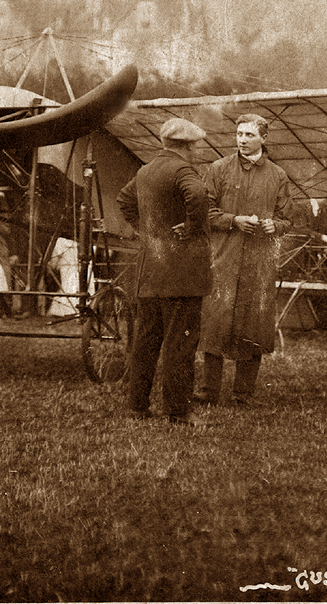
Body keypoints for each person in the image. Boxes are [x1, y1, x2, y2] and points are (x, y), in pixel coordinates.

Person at [118, 118, 213, 425]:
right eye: (195, 145)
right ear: (186, 146)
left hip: (150, 272)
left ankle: (137, 406)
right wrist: (193, 226)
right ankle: (177, 412)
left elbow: (124, 199)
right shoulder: (183, 169)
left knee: (145, 342)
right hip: (181, 275)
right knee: (180, 343)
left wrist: (145, 230)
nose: (197, 150)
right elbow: (198, 196)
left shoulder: (145, 171)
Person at [198, 114, 294, 406]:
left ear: (264, 139)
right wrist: (233, 220)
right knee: (215, 321)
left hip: (259, 262)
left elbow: (287, 218)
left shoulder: (278, 175)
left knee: (253, 323)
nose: (242, 140)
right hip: (224, 258)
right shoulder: (218, 169)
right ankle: (208, 390)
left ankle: (244, 393)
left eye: (249, 135)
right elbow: (204, 211)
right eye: (239, 134)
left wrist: (273, 226)